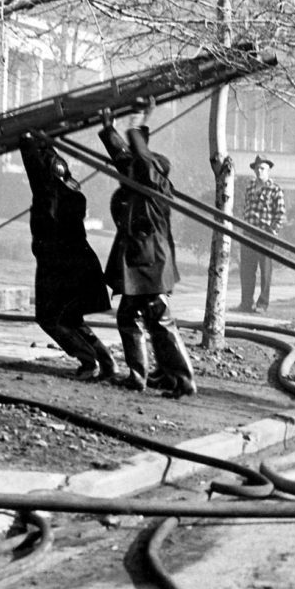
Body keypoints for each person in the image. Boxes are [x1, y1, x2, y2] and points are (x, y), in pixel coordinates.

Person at [100, 109, 196, 398]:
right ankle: (150, 376)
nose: (127, 170)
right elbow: (125, 158)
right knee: (137, 319)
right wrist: (109, 130)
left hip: (149, 265)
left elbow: (140, 159)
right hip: (143, 265)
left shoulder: (153, 186)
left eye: (137, 167)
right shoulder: (140, 183)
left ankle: (181, 380)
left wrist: (136, 125)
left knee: (159, 321)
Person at [19, 133, 115, 380]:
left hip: (57, 264)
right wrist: (44, 141)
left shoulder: (47, 191)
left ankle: (88, 360)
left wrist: (27, 143)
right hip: (79, 261)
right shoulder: (72, 192)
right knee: (70, 317)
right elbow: (47, 161)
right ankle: (105, 359)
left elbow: (34, 167)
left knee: (49, 318)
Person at [236, 154, 286, 313]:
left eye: (263, 168)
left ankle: (262, 304)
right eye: (257, 168)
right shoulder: (250, 187)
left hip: (265, 234)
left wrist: (272, 231)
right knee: (247, 269)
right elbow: (246, 208)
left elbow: (280, 214)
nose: (259, 172)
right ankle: (246, 302)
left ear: (269, 170)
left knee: (265, 270)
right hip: (248, 232)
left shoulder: (275, 189)